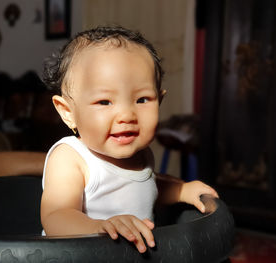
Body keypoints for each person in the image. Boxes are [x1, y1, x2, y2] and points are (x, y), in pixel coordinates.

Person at [40, 26, 218, 253]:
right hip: (74, 257)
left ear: (159, 101)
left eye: (142, 99)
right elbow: (56, 216)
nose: (126, 115)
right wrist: (99, 227)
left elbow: (146, 184)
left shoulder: (142, 154)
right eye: (104, 102)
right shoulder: (71, 157)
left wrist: (181, 191)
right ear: (68, 112)